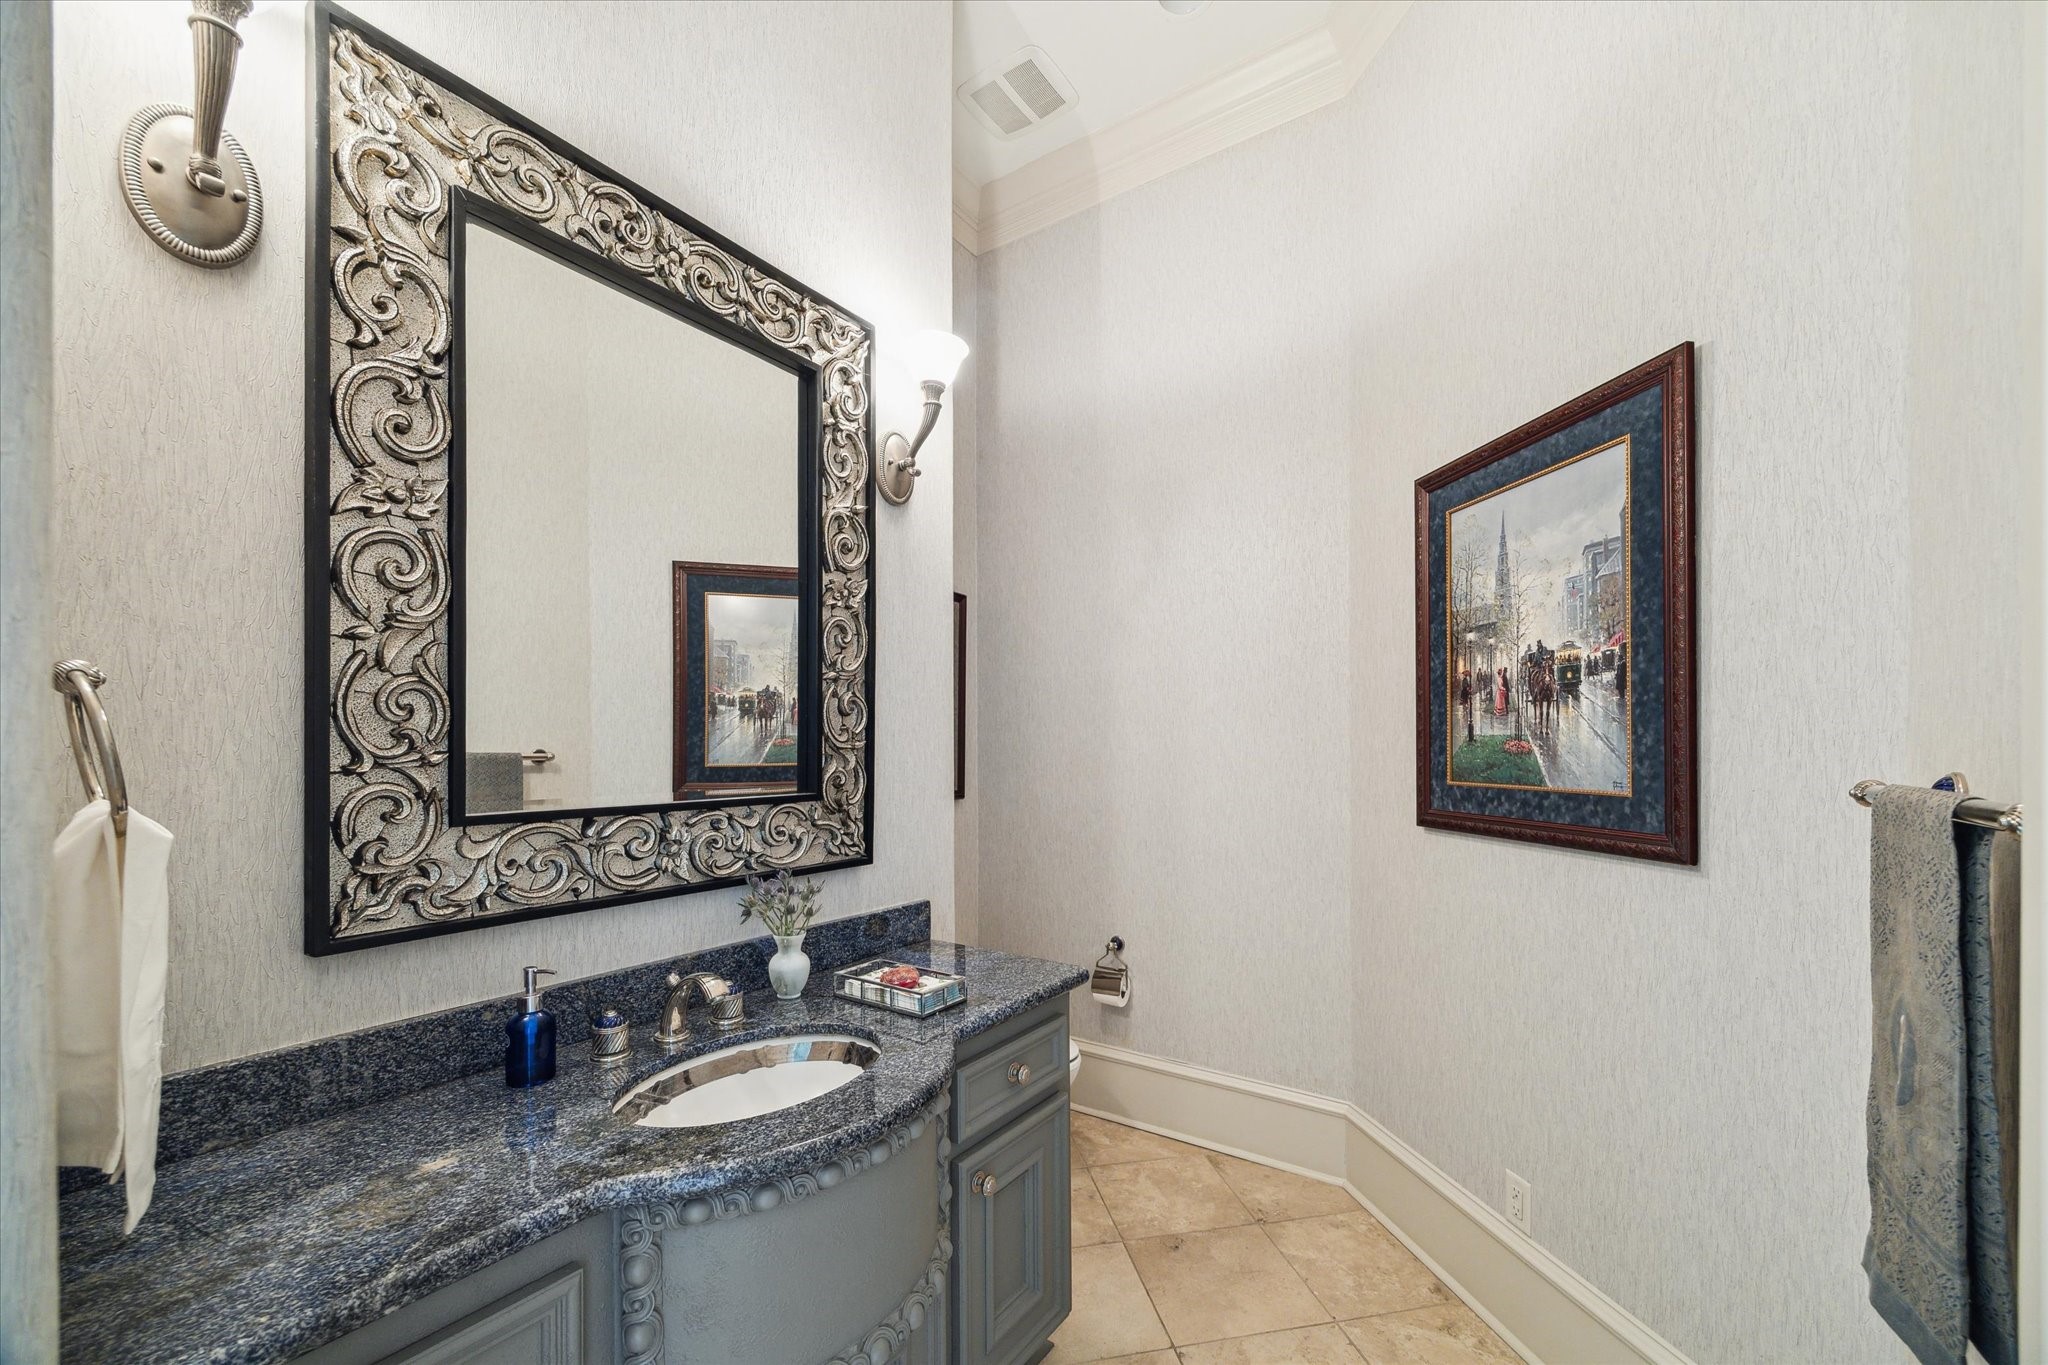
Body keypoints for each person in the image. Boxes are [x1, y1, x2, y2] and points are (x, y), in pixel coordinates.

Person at [1459, 671, 1474, 742]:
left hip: (1466, 692)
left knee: (1466, 700)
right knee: (1465, 700)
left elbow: (1467, 685)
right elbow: (1464, 686)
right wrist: (1467, 687)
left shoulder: (1466, 680)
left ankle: (1466, 707)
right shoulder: (1464, 680)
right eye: (1466, 675)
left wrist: (1469, 686)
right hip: (1464, 692)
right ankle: (1465, 708)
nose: (1466, 676)